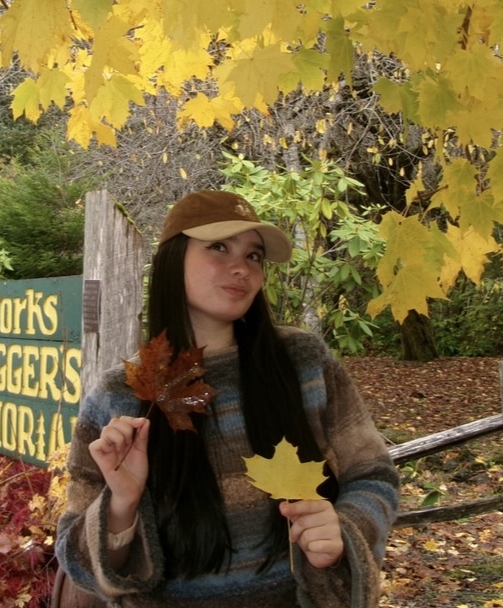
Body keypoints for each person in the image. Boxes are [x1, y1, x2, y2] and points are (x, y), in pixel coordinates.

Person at [55, 190, 400, 607]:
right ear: (172, 259)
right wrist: (122, 505)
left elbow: (374, 475)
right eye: (218, 247)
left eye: (254, 255)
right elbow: (77, 561)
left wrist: (344, 531)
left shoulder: (303, 363)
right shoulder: (119, 397)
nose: (241, 268)